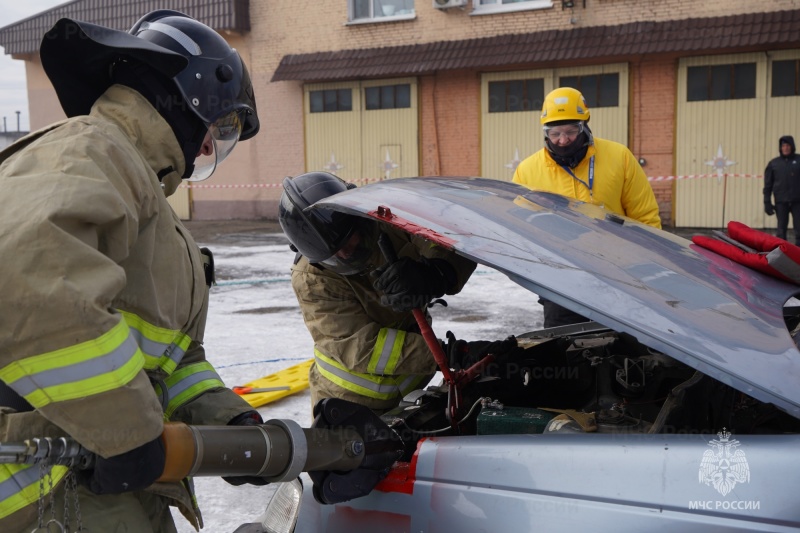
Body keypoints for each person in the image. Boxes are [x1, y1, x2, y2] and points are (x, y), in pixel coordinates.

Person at [0, 11, 268, 532]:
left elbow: (175, 359)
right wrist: (127, 433)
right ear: (192, 97)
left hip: (112, 478)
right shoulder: (91, 148)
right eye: (221, 125)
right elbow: (25, 284)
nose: (211, 145)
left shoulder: (150, 204)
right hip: (49, 486)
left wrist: (231, 423)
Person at [279, 172, 521, 413]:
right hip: (350, 405)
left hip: (416, 392)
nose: (343, 254)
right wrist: (452, 354)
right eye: (332, 255)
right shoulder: (312, 277)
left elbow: (448, 235)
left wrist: (436, 273)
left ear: (358, 217)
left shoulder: (387, 219)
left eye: (348, 241)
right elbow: (361, 347)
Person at [512, 87, 661, 328]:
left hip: (619, 278)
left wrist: (645, 269)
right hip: (560, 282)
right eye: (555, 133)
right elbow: (520, 227)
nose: (562, 140)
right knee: (564, 351)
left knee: (621, 350)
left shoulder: (619, 157)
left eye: (571, 131)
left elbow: (645, 217)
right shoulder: (527, 171)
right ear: (545, 132)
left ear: (585, 125)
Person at [763, 136, 800, 245]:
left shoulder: (799, 161)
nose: (786, 148)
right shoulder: (774, 164)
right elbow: (768, 185)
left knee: (799, 230)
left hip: (798, 202)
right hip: (781, 202)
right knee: (781, 231)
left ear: (792, 147)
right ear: (780, 148)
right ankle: (783, 255)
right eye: (783, 146)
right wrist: (767, 202)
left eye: (788, 145)